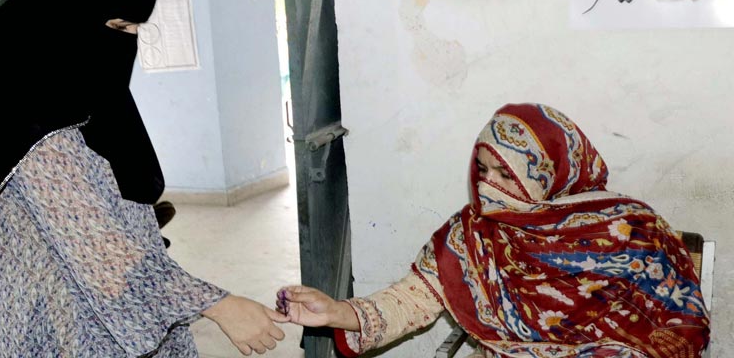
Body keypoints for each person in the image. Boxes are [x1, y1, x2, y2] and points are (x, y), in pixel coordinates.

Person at [0, 0, 287, 356]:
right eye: (119, 27)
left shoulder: (84, 86)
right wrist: (219, 305)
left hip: (111, 308)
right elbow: (96, 246)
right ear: (69, 12)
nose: (129, 41)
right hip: (58, 323)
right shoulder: (18, 106)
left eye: (137, 28)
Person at [277, 103, 710, 357]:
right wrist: (337, 313)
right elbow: (411, 300)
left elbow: (682, 322)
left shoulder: (629, 227)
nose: (488, 186)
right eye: (482, 170)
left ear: (550, 172)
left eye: (506, 173)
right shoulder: (472, 235)